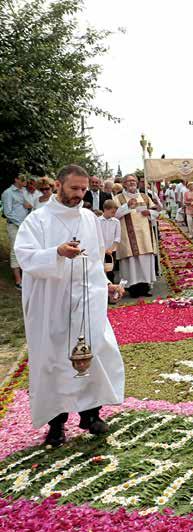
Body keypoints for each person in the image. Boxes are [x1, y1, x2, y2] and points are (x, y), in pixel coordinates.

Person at [13, 164, 126, 447]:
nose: (79, 194)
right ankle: (56, 425)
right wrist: (57, 253)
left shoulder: (89, 217)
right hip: (53, 302)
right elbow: (25, 256)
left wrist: (107, 284)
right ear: (59, 185)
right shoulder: (38, 220)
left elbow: (96, 258)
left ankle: (91, 414)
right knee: (55, 361)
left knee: (92, 354)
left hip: (87, 300)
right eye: (74, 188)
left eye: (84, 189)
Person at [113, 174, 158, 297]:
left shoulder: (144, 196)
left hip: (144, 233)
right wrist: (127, 206)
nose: (131, 183)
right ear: (124, 184)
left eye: (133, 180)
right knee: (131, 261)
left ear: (137, 183)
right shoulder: (118, 198)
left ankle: (145, 287)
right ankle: (132, 288)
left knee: (145, 260)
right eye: (128, 181)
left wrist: (149, 212)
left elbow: (156, 212)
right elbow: (115, 215)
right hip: (128, 234)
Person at [2, 174, 31, 288]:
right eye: (23, 179)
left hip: (25, 225)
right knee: (15, 250)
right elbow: (7, 213)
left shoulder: (24, 191)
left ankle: (27, 277)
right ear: (16, 179)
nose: (26, 181)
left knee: (26, 249)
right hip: (14, 226)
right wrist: (21, 224)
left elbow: (28, 206)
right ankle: (18, 281)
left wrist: (28, 207)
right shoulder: (8, 193)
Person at [98, 199, 121, 282]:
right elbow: (97, 236)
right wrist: (102, 249)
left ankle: (111, 289)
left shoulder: (116, 222)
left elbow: (117, 237)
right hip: (100, 250)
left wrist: (111, 249)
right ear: (105, 209)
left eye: (114, 212)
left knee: (110, 270)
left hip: (111, 250)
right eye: (112, 212)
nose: (114, 214)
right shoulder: (98, 221)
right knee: (100, 269)